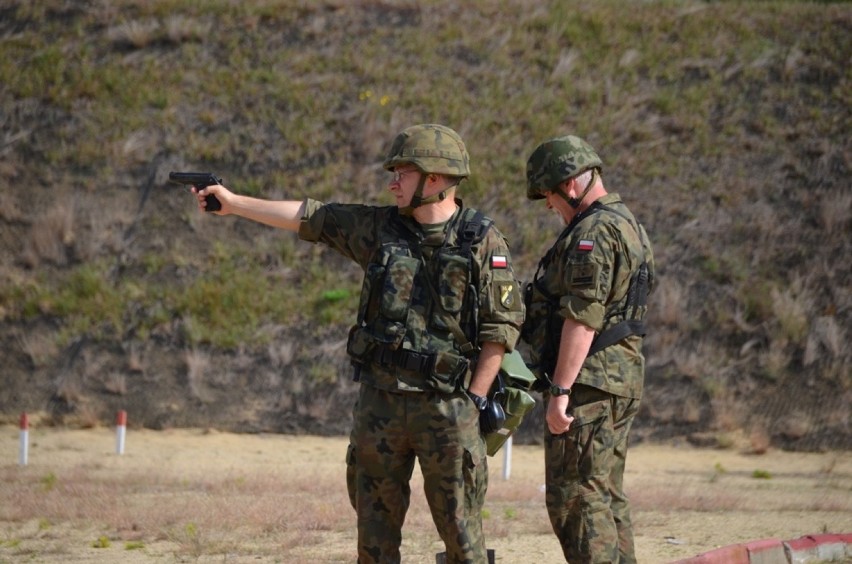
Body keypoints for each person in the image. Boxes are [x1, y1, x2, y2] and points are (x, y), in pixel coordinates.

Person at [191, 123, 524, 564]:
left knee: (463, 538)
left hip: (448, 408)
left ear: (437, 179)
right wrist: (233, 204)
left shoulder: (482, 239)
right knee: (374, 540)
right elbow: (311, 216)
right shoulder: (379, 227)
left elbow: (500, 331)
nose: (392, 183)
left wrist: (476, 402)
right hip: (380, 407)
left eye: (403, 173)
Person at [520, 135, 655, 563]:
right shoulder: (627, 223)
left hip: (590, 384)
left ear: (572, 184)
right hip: (619, 378)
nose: (548, 205)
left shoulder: (593, 233)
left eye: (548, 194)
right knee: (605, 495)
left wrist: (560, 392)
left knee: (576, 498)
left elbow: (583, 316)